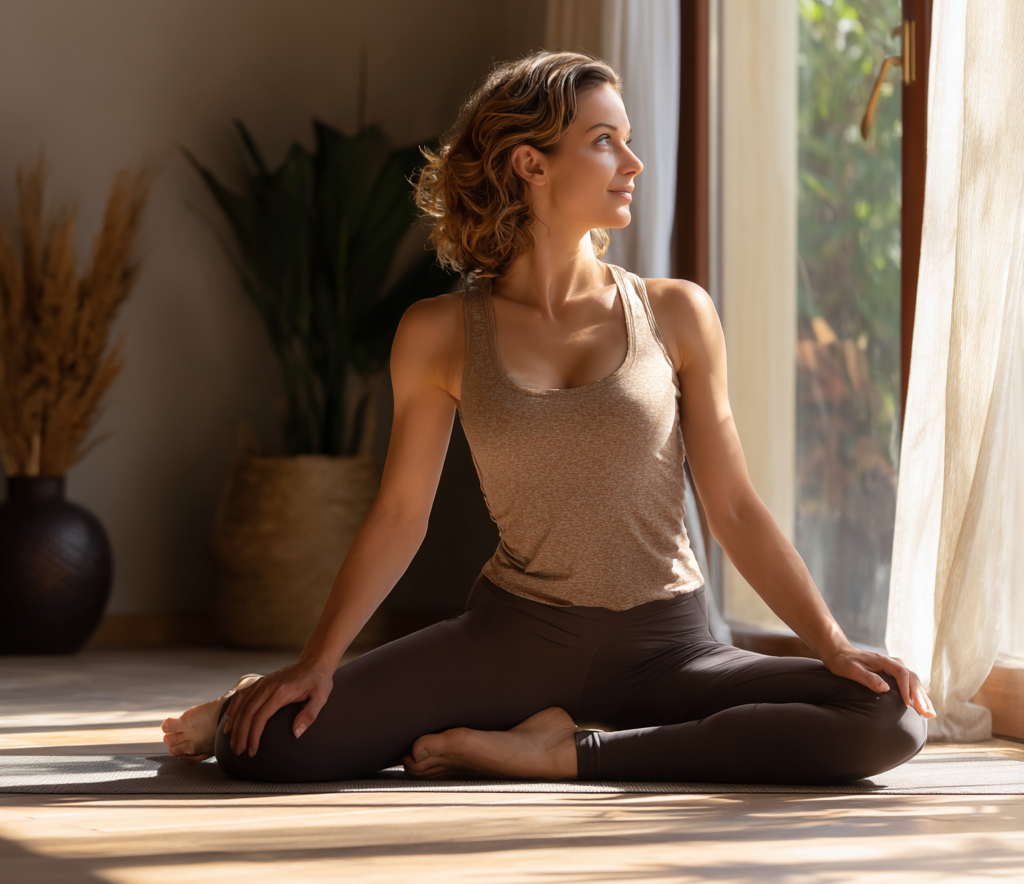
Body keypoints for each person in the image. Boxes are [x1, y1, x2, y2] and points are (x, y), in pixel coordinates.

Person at [163, 52, 933, 784]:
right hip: (511, 643)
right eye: (605, 142)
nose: (632, 163)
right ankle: (242, 701)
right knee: (267, 749)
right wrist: (315, 663)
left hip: (669, 650)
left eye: (629, 141)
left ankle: (566, 754)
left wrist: (832, 645)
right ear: (531, 165)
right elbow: (401, 515)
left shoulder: (675, 312)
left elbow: (732, 507)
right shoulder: (438, 333)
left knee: (889, 716)